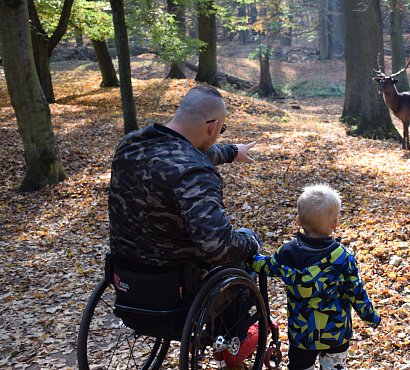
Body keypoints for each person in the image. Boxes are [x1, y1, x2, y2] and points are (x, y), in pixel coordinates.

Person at [108, 85, 260, 268]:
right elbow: (220, 247)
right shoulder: (196, 173)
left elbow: (182, 155)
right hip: (176, 277)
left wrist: (232, 151)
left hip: (125, 269)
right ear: (212, 127)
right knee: (245, 242)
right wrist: (251, 240)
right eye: (222, 130)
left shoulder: (131, 143)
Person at [249, 184, 381, 370]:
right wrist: (370, 317)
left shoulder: (288, 252)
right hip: (335, 334)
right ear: (335, 224)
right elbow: (356, 292)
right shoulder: (343, 258)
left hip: (302, 335)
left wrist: (248, 256)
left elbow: (264, 266)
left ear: (298, 221)